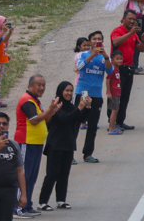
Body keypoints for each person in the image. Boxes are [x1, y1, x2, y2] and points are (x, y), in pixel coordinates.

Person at [36, 82, 86, 211]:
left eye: (71, 90)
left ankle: (61, 200)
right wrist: (79, 108)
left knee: (64, 173)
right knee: (52, 174)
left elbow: (79, 118)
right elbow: (65, 119)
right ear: (60, 91)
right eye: (66, 90)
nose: (69, 93)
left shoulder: (70, 106)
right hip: (55, 144)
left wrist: (87, 107)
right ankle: (42, 202)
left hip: (68, 144)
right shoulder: (56, 106)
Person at [14, 75, 60, 216]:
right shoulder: (26, 100)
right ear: (30, 86)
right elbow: (34, 120)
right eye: (38, 85)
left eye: (43, 85)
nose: (41, 88)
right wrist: (49, 110)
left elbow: (44, 120)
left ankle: (27, 205)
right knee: (24, 176)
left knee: (32, 176)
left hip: (35, 144)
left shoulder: (35, 101)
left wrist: (51, 111)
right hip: (26, 143)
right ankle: (18, 208)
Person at [74, 31, 110, 162]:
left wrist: (105, 56)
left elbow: (110, 71)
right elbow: (80, 67)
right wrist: (92, 55)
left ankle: (88, 154)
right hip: (83, 93)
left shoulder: (103, 57)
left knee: (93, 126)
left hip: (96, 95)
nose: (96, 41)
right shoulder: (82, 54)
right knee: (75, 123)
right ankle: (70, 154)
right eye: (94, 39)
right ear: (89, 42)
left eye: (99, 39)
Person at [109, 10, 144, 131]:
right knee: (115, 97)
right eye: (129, 18)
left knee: (125, 97)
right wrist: (130, 34)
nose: (132, 21)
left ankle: (120, 122)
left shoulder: (134, 33)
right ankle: (112, 123)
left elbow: (141, 48)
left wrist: (143, 39)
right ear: (123, 19)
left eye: (134, 19)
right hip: (118, 69)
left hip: (129, 68)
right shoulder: (117, 31)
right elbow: (115, 42)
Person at [0, 111, 28, 221]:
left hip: (9, 190)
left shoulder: (14, 145)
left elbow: (20, 171)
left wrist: (23, 194)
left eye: (5, 123)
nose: (1, 126)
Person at [0, 19, 13, 111]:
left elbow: (3, 41)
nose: (4, 24)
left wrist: (9, 32)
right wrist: (3, 31)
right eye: (3, 23)